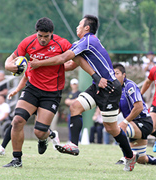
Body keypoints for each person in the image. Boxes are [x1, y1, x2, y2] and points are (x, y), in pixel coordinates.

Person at [30, 15, 138, 171]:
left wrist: (40, 63)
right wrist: (44, 68)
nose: (77, 27)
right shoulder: (82, 43)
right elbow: (70, 65)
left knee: (111, 128)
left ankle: (129, 156)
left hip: (110, 87)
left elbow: (62, 58)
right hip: (97, 86)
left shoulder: (89, 40)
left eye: (80, 24)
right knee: (75, 106)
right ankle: (74, 144)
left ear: (87, 28)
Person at [3, 17, 70, 167]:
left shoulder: (62, 43)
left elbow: (73, 61)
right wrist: (9, 66)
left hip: (52, 92)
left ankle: (46, 136)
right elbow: (11, 58)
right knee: (17, 121)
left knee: (39, 132)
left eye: (46, 36)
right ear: (36, 33)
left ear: (52, 33)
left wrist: (56, 64)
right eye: (40, 36)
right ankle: (16, 160)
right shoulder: (28, 42)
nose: (43, 39)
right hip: (32, 88)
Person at [113, 63, 156, 166]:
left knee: (118, 129)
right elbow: (118, 109)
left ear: (124, 75)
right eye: (112, 73)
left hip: (143, 122)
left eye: (117, 73)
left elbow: (139, 107)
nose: (114, 76)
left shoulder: (130, 86)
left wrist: (125, 122)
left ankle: (126, 157)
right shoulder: (117, 89)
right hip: (134, 124)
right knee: (142, 159)